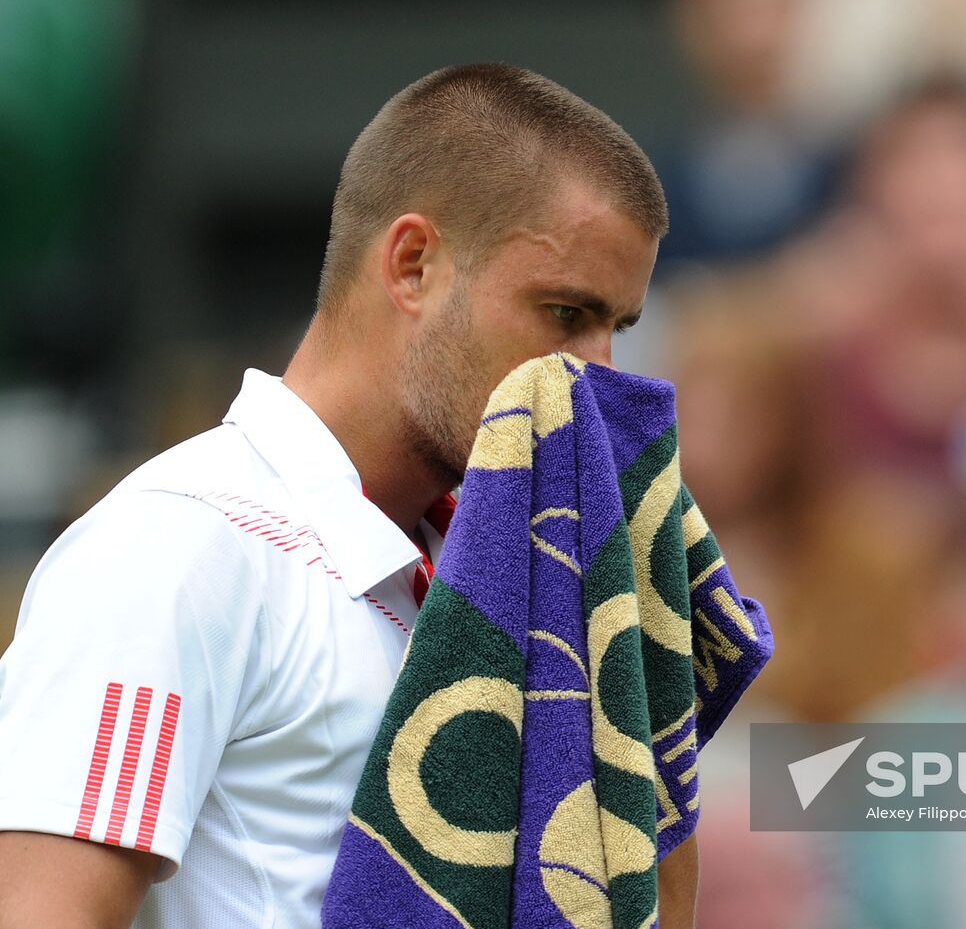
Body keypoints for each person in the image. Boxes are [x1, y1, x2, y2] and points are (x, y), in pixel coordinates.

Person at [0, 63, 695, 928]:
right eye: (564, 313)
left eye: (617, 327)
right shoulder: (175, 546)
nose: (598, 376)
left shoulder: (535, 574)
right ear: (412, 265)